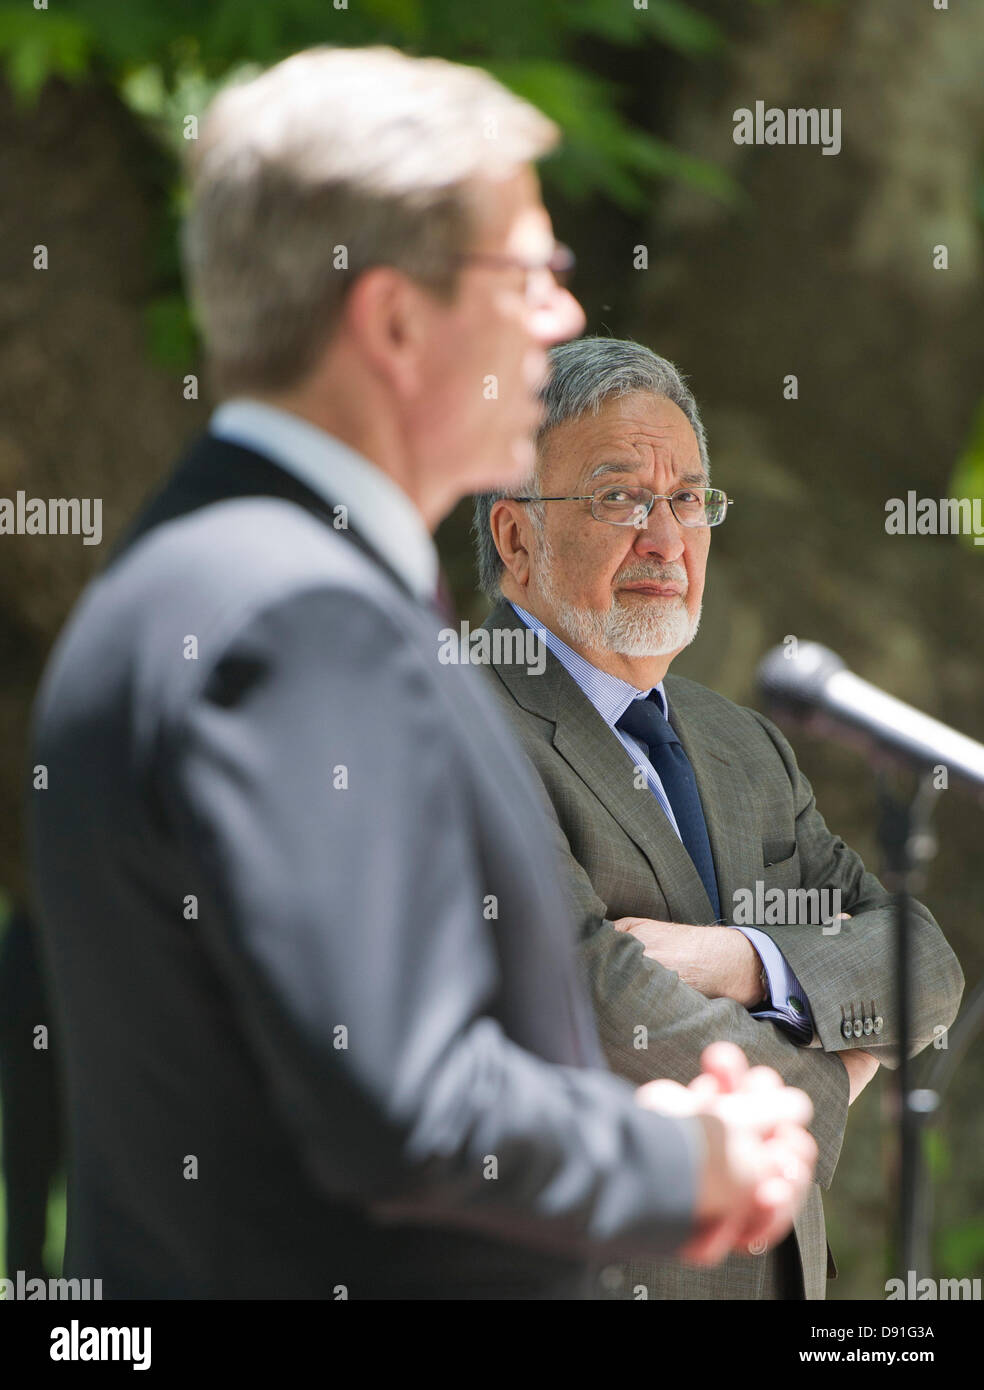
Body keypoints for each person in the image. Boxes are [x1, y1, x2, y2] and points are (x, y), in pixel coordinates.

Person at [28, 48, 817, 1300]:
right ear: (395, 320)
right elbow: (397, 1101)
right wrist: (683, 1161)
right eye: (531, 275)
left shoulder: (191, 578)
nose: (562, 316)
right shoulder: (298, 621)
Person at [472, 335, 964, 1299]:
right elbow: (590, 992)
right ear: (516, 537)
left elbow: (924, 960)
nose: (665, 538)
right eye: (619, 497)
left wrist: (749, 961)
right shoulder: (463, 719)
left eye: (689, 499)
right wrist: (827, 1082)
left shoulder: (743, 743)